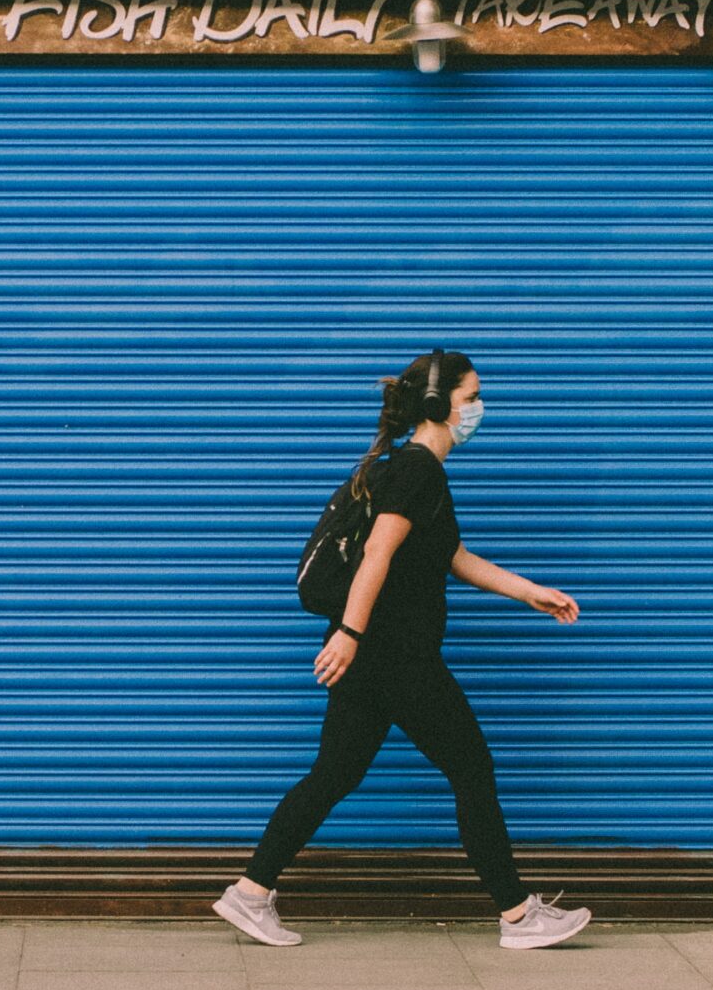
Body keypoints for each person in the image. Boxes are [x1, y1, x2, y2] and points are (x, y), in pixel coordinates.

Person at [215, 350, 592, 951]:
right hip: (394, 655)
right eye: (472, 398)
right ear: (441, 407)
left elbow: (454, 559)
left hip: (377, 655)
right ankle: (519, 915)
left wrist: (531, 594)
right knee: (471, 767)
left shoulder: (413, 470)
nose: (479, 409)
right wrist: (351, 633)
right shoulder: (418, 470)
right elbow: (377, 556)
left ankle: (251, 892)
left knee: (335, 773)